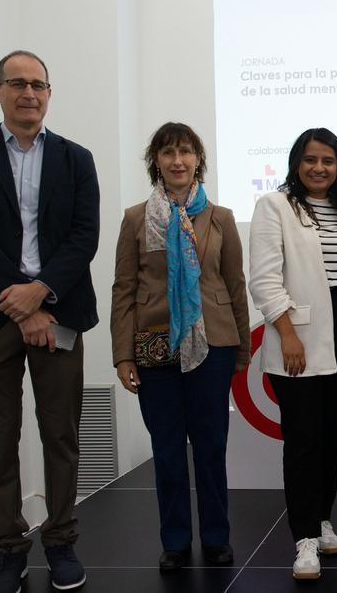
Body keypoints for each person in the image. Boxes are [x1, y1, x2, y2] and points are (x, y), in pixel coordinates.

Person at [0, 50, 98, 593]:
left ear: (49, 94)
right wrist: (21, 301)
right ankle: (9, 549)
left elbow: (84, 237)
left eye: (38, 84)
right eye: (17, 83)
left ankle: (61, 542)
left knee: (61, 434)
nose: (28, 93)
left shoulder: (76, 159)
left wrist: (40, 296)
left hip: (58, 309)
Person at [109, 122, 251, 571]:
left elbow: (234, 285)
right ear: (156, 161)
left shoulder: (221, 217)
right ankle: (174, 541)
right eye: (168, 152)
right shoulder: (136, 218)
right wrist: (122, 353)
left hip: (213, 343)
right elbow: (123, 288)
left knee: (210, 447)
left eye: (186, 152)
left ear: (198, 161)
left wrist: (243, 349)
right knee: (168, 451)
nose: (177, 161)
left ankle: (215, 538)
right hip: (154, 345)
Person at [248, 128, 337, 580]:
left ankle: (322, 517)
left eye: (328, 160)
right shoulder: (275, 206)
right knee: (303, 439)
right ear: (296, 163)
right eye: (310, 160)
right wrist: (286, 333)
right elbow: (264, 279)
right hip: (297, 334)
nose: (319, 168)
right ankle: (303, 539)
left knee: (333, 435)